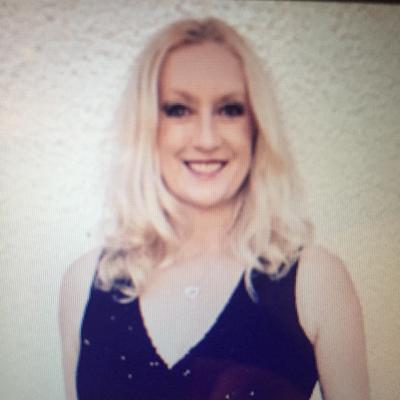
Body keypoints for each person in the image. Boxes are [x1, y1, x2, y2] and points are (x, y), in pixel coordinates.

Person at [59, 17, 369, 400]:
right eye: (178, 109)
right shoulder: (83, 284)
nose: (206, 139)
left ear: (256, 127)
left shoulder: (317, 281)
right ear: (146, 127)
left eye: (229, 109)